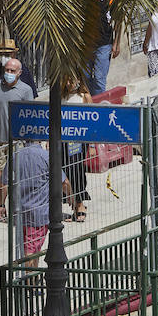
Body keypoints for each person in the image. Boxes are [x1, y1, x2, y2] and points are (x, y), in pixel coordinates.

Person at [0, 54, 35, 222]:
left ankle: (16, 208)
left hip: (17, 142)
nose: (8, 73)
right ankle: (2, 205)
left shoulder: (26, 90)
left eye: (12, 70)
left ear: (19, 72)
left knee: (16, 177)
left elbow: (31, 116)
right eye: (7, 70)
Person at [10, 140, 69, 258]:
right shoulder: (46, 156)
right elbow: (64, 183)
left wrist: (1, 204)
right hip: (39, 213)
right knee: (31, 249)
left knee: (28, 246)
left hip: (20, 210)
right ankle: (29, 275)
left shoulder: (15, 155)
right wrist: (71, 199)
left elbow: (5, 182)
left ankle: (32, 275)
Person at [61, 77, 91, 223]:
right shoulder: (61, 97)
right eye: (67, 80)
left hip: (79, 141)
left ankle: (79, 205)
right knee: (64, 173)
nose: (69, 83)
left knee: (76, 171)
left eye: (71, 80)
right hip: (64, 141)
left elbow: (92, 120)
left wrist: (91, 145)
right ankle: (73, 205)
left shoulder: (84, 97)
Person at [87, 0, 122, 96]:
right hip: (86, 44)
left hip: (104, 44)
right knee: (85, 78)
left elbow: (118, 20)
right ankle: (88, 106)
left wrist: (117, 43)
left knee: (99, 79)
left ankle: (98, 108)